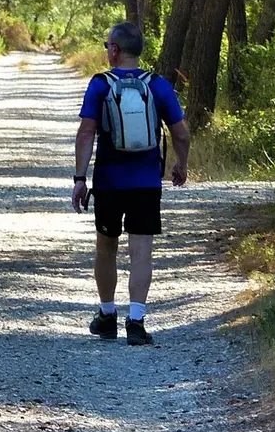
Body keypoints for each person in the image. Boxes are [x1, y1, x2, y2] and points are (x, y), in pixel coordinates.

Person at [71, 22, 191, 346]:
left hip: (109, 183)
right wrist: (181, 165)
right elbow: (180, 133)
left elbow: (86, 133)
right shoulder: (158, 85)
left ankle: (107, 315)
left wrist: (80, 179)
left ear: (114, 49)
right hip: (146, 184)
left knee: (106, 247)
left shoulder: (100, 85)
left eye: (107, 45)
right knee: (142, 251)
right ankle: (136, 321)